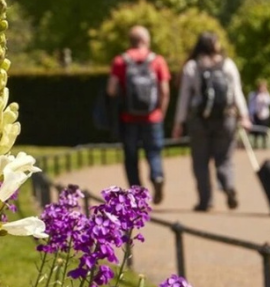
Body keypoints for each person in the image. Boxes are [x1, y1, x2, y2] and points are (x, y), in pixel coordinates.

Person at [172, 32, 251, 212]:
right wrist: (244, 116)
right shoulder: (228, 65)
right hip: (226, 118)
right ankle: (228, 184)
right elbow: (237, 92)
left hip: (199, 120)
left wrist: (178, 123)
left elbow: (184, 97)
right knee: (225, 158)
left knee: (200, 162)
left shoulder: (192, 67)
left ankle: (205, 201)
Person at [106, 25, 170, 204]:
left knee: (131, 157)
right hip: (153, 117)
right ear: (145, 40)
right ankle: (157, 177)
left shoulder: (121, 61)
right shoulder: (157, 61)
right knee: (154, 152)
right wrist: (161, 112)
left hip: (129, 118)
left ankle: (137, 194)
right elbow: (164, 91)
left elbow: (111, 89)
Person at [247, 80, 270, 149]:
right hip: (256, 115)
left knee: (264, 131)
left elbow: (269, 102)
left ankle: (264, 145)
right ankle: (255, 145)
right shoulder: (253, 95)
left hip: (264, 115)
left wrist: (264, 94)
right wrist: (250, 114)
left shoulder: (266, 95)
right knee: (255, 132)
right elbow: (251, 105)